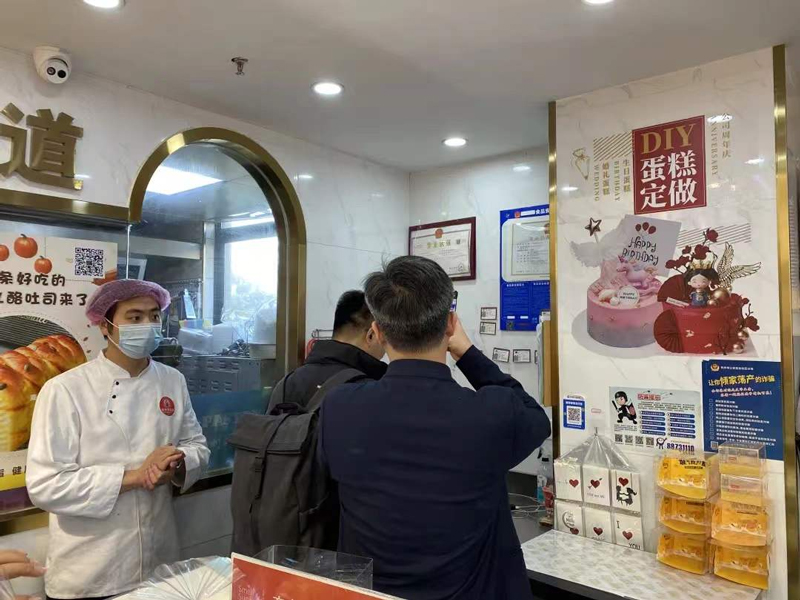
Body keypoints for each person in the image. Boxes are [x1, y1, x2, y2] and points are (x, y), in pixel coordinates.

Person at [318, 256, 551, 600]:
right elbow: (537, 417)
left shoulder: (339, 407)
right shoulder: (491, 414)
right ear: (450, 324)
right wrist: (467, 353)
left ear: (377, 332)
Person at [26, 280, 209, 600]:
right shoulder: (65, 389)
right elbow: (46, 485)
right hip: (88, 573)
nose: (147, 325)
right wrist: (135, 477)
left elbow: (197, 445)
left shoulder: (172, 380)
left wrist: (176, 463)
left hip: (159, 565)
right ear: (105, 326)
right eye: (134, 317)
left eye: (154, 316)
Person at [230, 290, 387, 555]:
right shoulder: (366, 389)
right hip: (334, 541)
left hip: (281, 532)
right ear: (372, 333)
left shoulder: (288, 381)